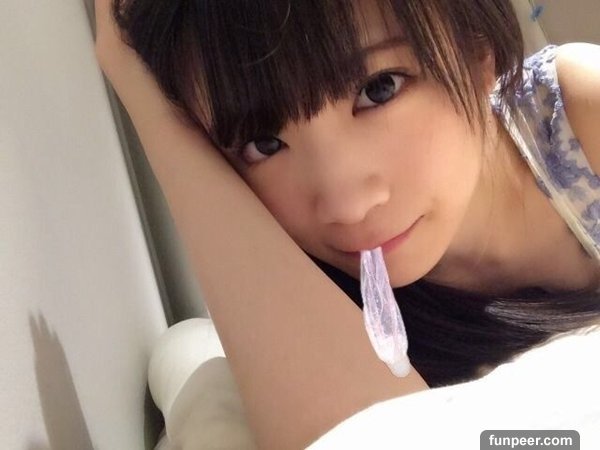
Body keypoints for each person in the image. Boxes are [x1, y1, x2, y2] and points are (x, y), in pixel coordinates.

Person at [94, 0, 600, 447]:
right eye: (263, 144)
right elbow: (353, 439)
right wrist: (147, 101)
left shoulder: (580, 117)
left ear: (478, 49)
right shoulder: (307, 291)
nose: (347, 206)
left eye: (379, 89)